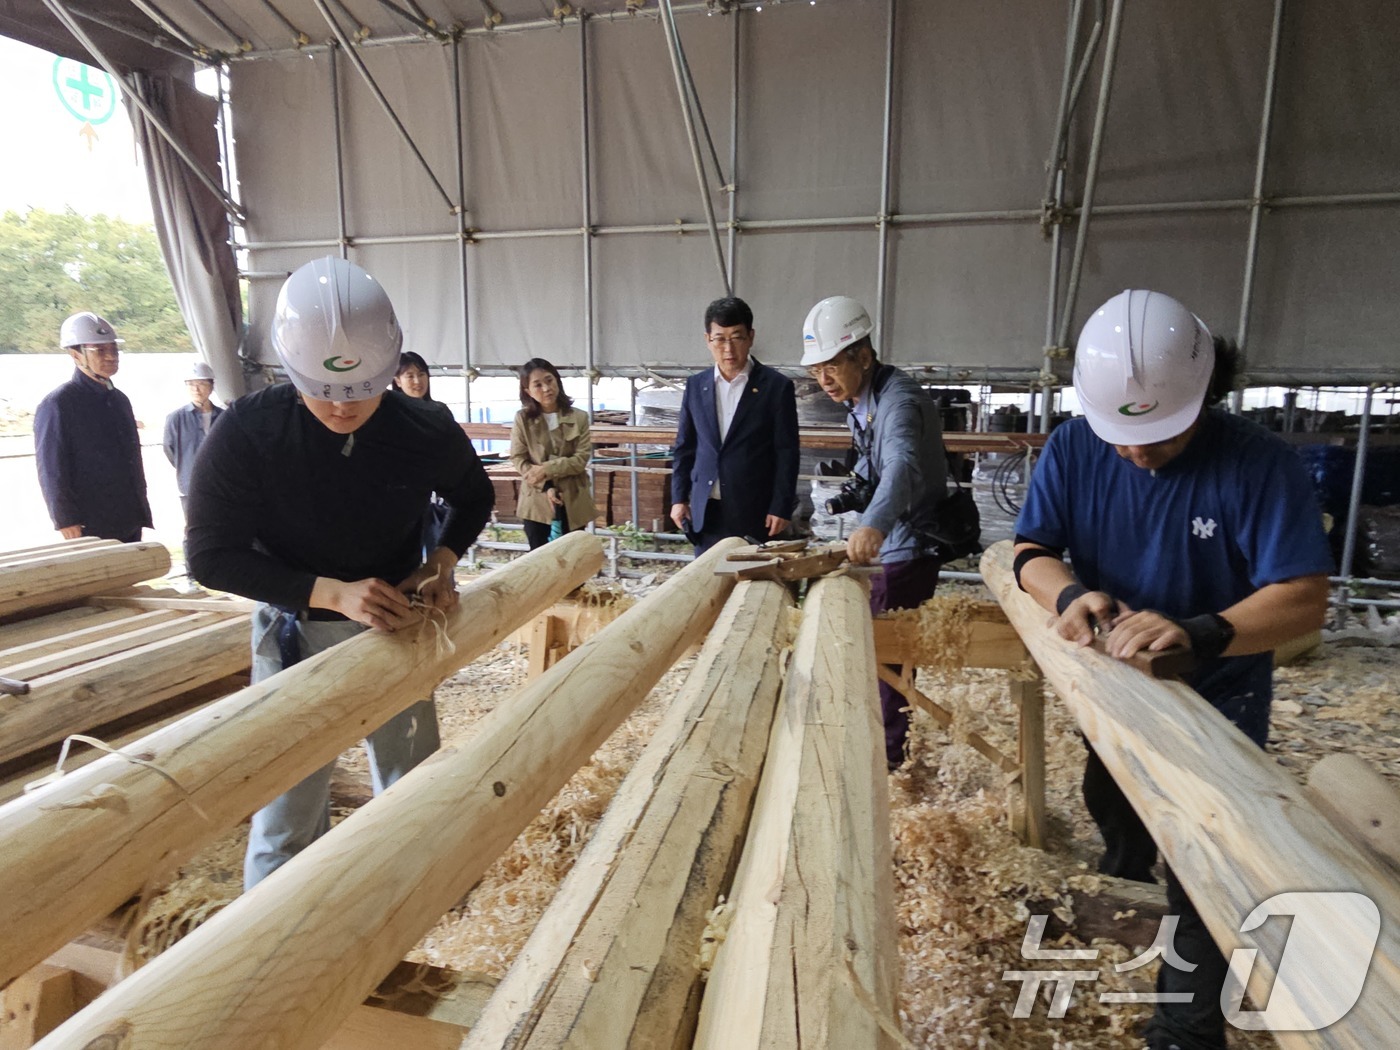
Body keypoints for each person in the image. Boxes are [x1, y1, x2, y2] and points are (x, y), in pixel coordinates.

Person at [1012, 289, 1332, 1050]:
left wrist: (1205, 631)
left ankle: (1184, 1027)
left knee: (1204, 859)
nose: (1135, 451)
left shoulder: (1258, 464)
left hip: (1215, 694)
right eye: (1120, 436)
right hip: (1114, 685)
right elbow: (1030, 552)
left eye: (1159, 434)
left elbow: (1305, 600)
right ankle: (1125, 884)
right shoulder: (1074, 446)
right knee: (1112, 801)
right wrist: (1073, 592)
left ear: (1206, 393)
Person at [185, 256, 495, 890]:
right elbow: (208, 555)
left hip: (399, 622)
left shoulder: (422, 426)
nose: (342, 408)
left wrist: (442, 560)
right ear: (290, 371)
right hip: (295, 626)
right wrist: (333, 593)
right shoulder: (248, 432)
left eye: (361, 391)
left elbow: (475, 497)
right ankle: (270, 938)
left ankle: (405, 911)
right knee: (288, 805)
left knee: (411, 787)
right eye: (322, 392)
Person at [801, 295, 948, 768]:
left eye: (832, 366)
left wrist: (872, 524)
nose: (824, 380)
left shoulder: (899, 402)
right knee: (875, 641)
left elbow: (902, 465)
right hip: (896, 538)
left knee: (886, 649)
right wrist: (850, 498)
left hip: (913, 540)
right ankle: (874, 738)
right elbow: (872, 466)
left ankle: (887, 758)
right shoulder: (864, 400)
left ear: (863, 356)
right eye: (815, 370)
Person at [670, 296, 799, 553]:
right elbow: (685, 446)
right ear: (707, 339)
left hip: (755, 510)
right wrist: (679, 498)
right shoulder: (696, 386)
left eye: (736, 337)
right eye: (719, 338)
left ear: (750, 337)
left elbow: (787, 451)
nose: (728, 349)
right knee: (707, 585)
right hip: (706, 510)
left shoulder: (775, 387)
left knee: (750, 587)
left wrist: (781, 505)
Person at [34, 311, 152, 542]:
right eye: (100, 350)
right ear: (75, 354)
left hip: (128, 515)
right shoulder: (58, 403)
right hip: (90, 521)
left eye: (114, 350)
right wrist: (66, 519)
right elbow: (51, 468)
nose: (110, 357)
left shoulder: (119, 400)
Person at [510, 358, 598, 550]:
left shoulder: (579, 417)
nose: (546, 388)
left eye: (549, 380)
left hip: (573, 496)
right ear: (528, 391)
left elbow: (580, 459)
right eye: (538, 385)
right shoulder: (522, 419)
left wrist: (546, 469)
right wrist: (546, 485)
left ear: (557, 381)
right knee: (539, 558)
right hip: (536, 496)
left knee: (572, 557)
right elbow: (518, 457)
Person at [392, 350, 454, 554]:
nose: (417, 381)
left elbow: (453, 448)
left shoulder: (440, 411)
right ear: (397, 381)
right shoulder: (391, 414)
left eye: (421, 374)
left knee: (438, 549)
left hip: (438, 492)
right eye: (409, 375)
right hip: (403, 496)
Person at [162, 360, 223, 514]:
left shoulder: (224, 417)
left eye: (201, 383)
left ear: (211, 386)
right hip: (191, 486)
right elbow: (170, 450)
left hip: (222, 484)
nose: (196, 389)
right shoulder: (175, 418)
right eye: (190, 384)